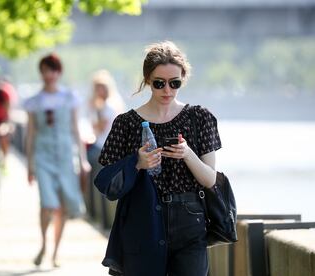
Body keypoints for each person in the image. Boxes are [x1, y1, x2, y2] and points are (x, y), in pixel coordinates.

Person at [94, 41, 222, 276]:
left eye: (175, 83)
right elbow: (107, 184)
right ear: (147, 80)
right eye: (159, 83)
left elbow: (209, 179)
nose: (167, 90)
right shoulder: (126, 123)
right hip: (141, 221)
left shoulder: (200, 118)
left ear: (183, 78)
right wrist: (138, 163)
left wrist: (188, 154)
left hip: (190, 221)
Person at [24, 53, 89, 267]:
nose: (48, 74)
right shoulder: (34, 101)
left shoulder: (69, 97)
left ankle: (55, 252)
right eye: (45, 70)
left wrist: (83, 159)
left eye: (52, 70)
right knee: (47, 204)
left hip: (64, 156)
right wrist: (29, 164)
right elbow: (31, 133)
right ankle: (43, 244)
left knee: (61, 206)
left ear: (58, 72)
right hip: (42, 155)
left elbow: (76, 129)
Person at [86, 70, 124, 222]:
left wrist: (95, 110)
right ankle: (105, 220)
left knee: (101, 186)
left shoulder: (106, 106)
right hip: (110, 149)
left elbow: (99, 128)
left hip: (103, 149)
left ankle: (103, 220)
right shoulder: (115, 103)